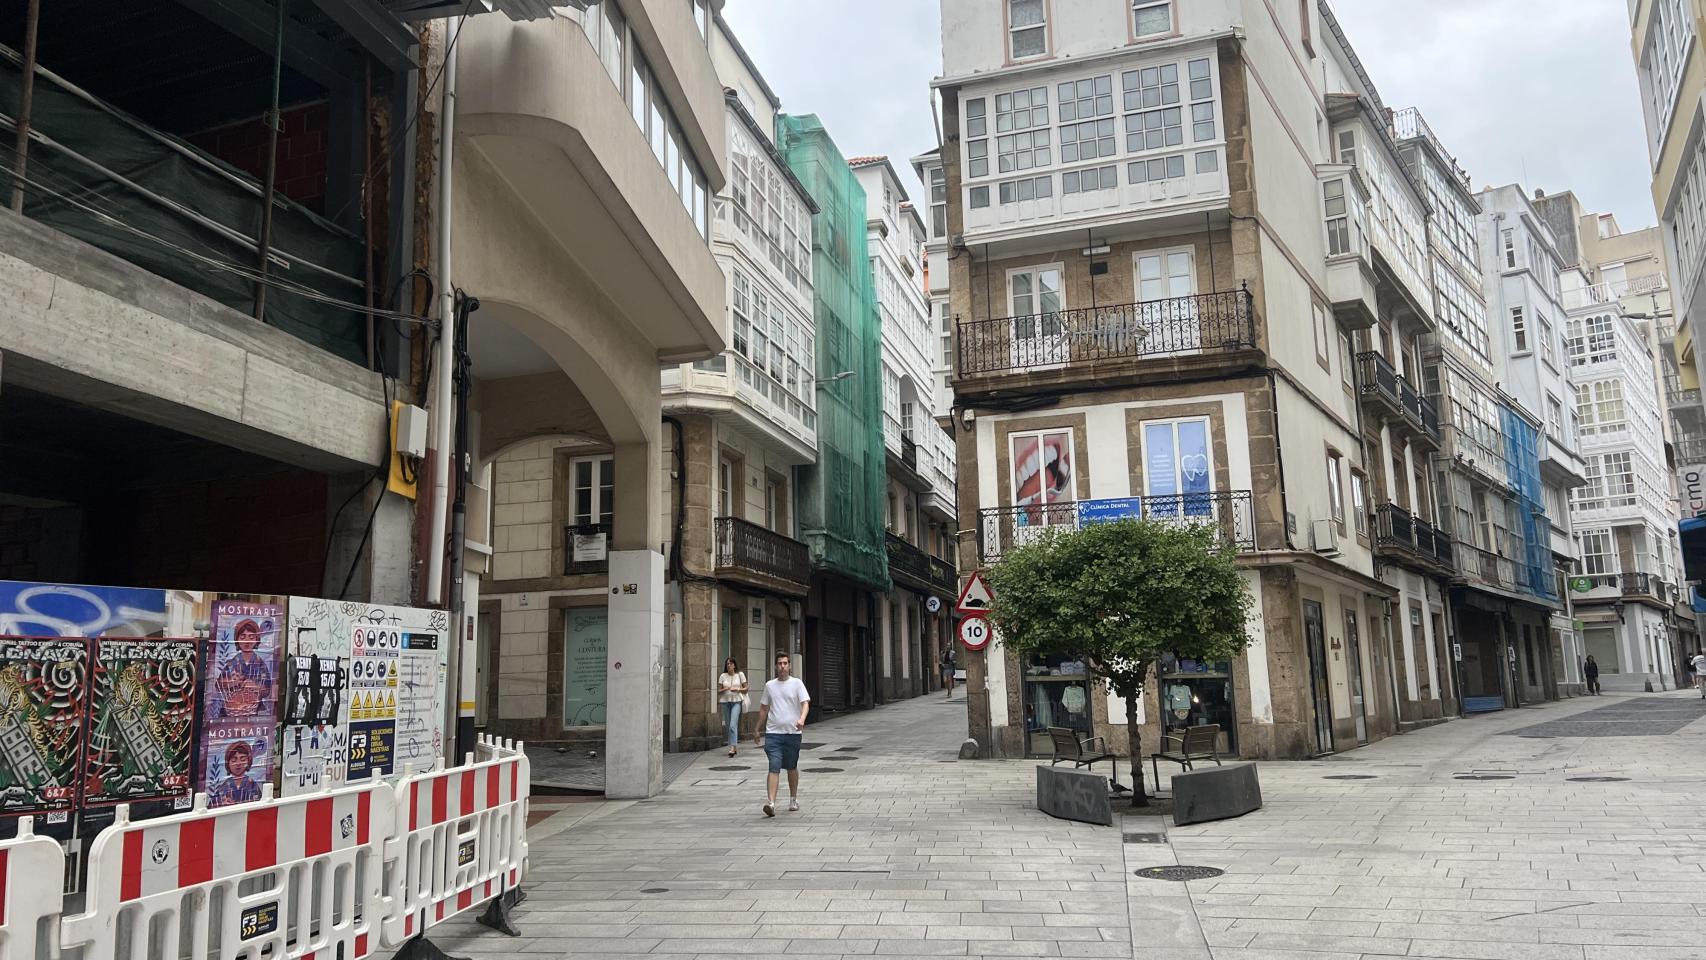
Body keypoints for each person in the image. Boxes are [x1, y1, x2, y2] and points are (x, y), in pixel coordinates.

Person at [753, 652, 810, 818]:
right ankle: (771, 803)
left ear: (789, 666)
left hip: (792, 733)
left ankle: (793, 799)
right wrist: (757, 729)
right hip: (773, 734)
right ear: (776, 666)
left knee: (791, 766)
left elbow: (805, 704)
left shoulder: (797, 683)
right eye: (779, 663)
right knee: (774, 765)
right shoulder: (770, 686)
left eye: (785, 663)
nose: (782, 666)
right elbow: (764, 708)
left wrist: (802, 719)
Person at [718, 657, 749, 758]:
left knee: (732, 725)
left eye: (731, 664)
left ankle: (732, 747)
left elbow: (746, 689)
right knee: (728, 726)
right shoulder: (722, 676)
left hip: (736, 702)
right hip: (725, 702)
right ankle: (734, 747)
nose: (729, 665)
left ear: (734, 665)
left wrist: (738, 689)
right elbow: (718, 691)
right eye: (727, 664)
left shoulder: (740, 675)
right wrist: (725, 689)